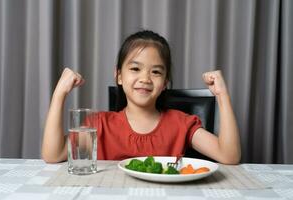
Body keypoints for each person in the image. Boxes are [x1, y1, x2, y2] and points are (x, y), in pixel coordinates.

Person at [41, 30, 241, 164]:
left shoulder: (181, 124)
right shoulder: (101, 124)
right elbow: (53, 154)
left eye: (155, 72)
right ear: (119, 75)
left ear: (164, 83)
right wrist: (60, 93)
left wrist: (222, 95)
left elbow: (229, 156)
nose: (145, 78)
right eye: (135, 68)